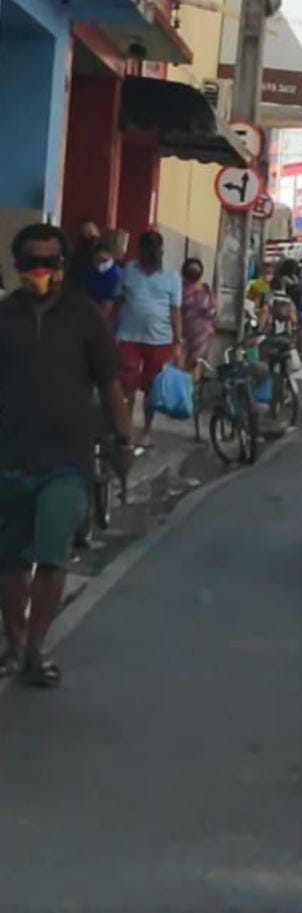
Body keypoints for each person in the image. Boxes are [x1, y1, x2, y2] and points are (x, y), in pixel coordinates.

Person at [0, 223, 133, 686]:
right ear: (17, 268)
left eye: (49, 262)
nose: (40, 271)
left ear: (61, 267)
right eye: (31, 262)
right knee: (10, 562)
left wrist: (122, 440)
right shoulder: (4, 316)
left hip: (67, 463)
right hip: (9, 460)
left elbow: (110, 382)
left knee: (52, 557)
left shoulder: (83, 317)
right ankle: (15, 645)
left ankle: (37, 649)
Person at [116, 231, 183, 439]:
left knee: (151, 389)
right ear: (141, 250)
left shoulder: (171, 277)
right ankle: (126, 428)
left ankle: (146, 428)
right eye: (148, 249)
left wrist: (177, 341)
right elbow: (119, 300)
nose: (153, 253)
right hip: (129, 337)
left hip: (160, 340)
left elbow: (175, 311)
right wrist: (109, 329)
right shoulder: (129, 270)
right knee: (127, 384)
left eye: (156, 249)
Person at [181, 257, 216, 376]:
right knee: (181, 364)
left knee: (195, 364)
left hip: (201, 335)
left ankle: (190, 391)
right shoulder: (180, 289)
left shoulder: (205, 289)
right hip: (183, 332)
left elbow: (213, 310)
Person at [86, 237, 123, 322]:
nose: (100, 264)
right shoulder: (93, 272)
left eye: (104, 260)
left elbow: (107, 308)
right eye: (97, 260)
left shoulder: (115, 276)